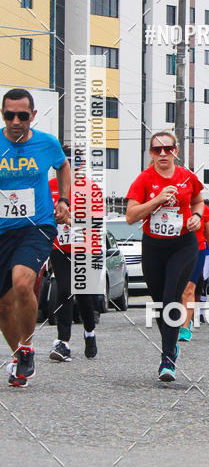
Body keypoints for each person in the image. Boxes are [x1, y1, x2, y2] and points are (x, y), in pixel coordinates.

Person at [0, 89, 70, 386]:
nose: (16, 121)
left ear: (33, 116)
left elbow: (63, 165)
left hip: (37, 226)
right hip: (3, 230)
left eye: (22, 116)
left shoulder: (47, 143)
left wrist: (63, 200)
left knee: (22, 282)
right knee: (3, 305)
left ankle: (27, 346)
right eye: (9, 115)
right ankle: (20, 358)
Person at [126, 132, 203, 382]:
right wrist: (157, 200)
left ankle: (167, 358)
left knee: (172, 294)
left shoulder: (187, 177)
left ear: (175, 151)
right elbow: (130, 216)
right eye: (157, 150)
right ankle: (171, 344)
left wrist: (197, 217)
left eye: (167, 149)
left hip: (183, 244)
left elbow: (198, 201)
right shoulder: (144, 179)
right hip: (154, 246)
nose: (162, 154)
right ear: (150, 153)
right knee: (160, 302)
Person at [48, 149, 103, 361]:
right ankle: (64, 342)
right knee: (65, 289)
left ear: (80, 165)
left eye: (75, 162)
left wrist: (73, 222)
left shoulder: (90, 188)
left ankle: (89, 333)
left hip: (86, 247)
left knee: (84, 295)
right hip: (60, 247)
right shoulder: (50, 187)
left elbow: (97, 222)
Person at [180, 200, 209, 341]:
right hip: (177, 252)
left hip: (198, 251)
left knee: (189, 288)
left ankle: (185, 327)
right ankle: (184, 317)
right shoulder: (175, 205)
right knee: (177, 290)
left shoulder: (204, 209)